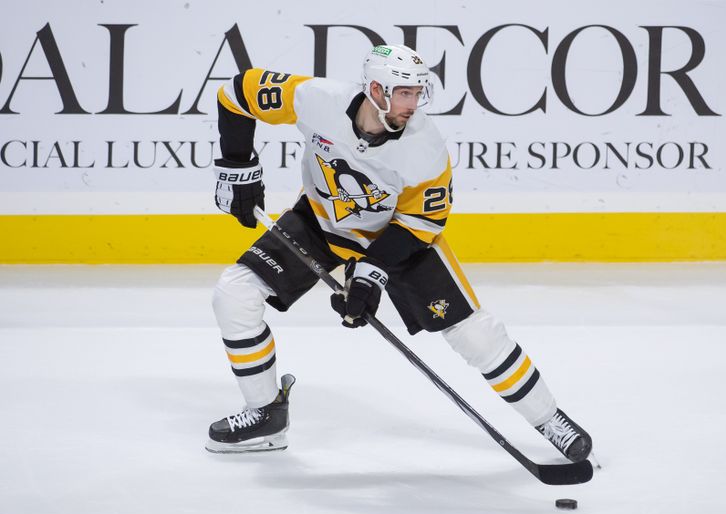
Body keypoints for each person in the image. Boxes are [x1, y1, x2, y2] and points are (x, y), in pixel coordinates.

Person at [207, 44, 593, 462]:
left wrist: (371, 274)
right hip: (320, 221)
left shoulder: (424, 147)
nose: (413, 104)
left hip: (396, 236)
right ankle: (266, 414)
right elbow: (238, 92)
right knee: (234, 293)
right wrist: (237, 168)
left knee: (475, 334)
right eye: (403, 93)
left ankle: (548, 417)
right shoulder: (318, 100)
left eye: (417, 92)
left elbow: (422, 223)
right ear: (375, 88)